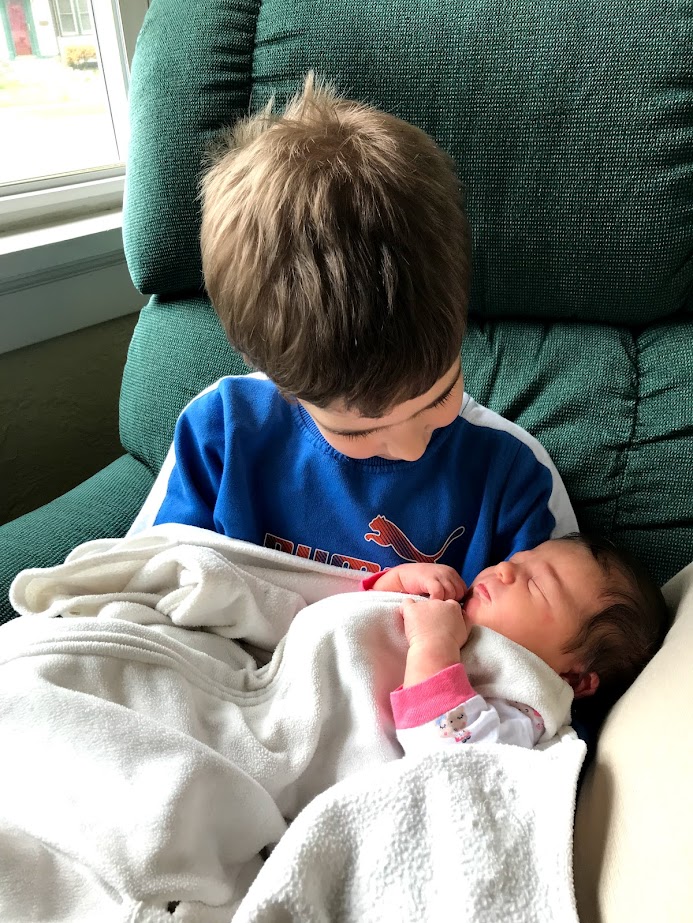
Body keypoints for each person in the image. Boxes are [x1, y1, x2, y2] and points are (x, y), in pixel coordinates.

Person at [129, 74, 577, 587]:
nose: (410, 447)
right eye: (359, 431)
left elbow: (544, 654)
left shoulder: (515, 475)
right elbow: (151, 589)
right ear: (278, 378)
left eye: (438, 397)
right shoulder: (222, 430)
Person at [364, 533, 670, 753]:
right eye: (516, 560)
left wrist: (433, 645)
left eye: (536, 585)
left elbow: (457, 751)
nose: (504, 569)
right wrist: (395, 585)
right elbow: (354, 622)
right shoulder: (448, 606)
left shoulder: (523, 708)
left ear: (573, 678)